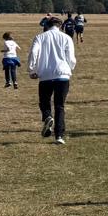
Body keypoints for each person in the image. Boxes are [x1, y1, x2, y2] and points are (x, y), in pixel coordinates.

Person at [28, 15, 76, 144]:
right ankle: (59, 136)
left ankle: (47, 116)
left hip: (45, 75)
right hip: (62, 75)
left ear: (47, 25)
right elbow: (71, 58)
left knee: (44, 102)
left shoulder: (40, 37)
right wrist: (70, 68)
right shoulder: (66, 38)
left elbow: (33, 53)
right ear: (60, 26)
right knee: (60, 106)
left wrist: (32, 69)